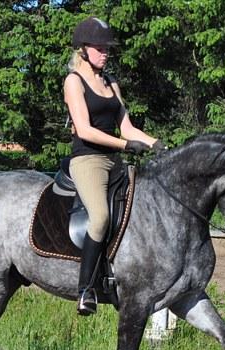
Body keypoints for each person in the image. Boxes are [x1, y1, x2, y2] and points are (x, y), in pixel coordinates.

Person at [64, 16, 166, 316]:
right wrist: (124, 145)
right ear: (83, 49)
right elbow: (84, 130)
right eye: (99, 47)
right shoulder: (73, 81)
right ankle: (86, 290)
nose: (105, 52)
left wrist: (155, 144)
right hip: (88, 161)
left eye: (108, 48)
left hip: (115, 161)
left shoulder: (111, 82)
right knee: (100, 218)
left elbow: (128, 128)